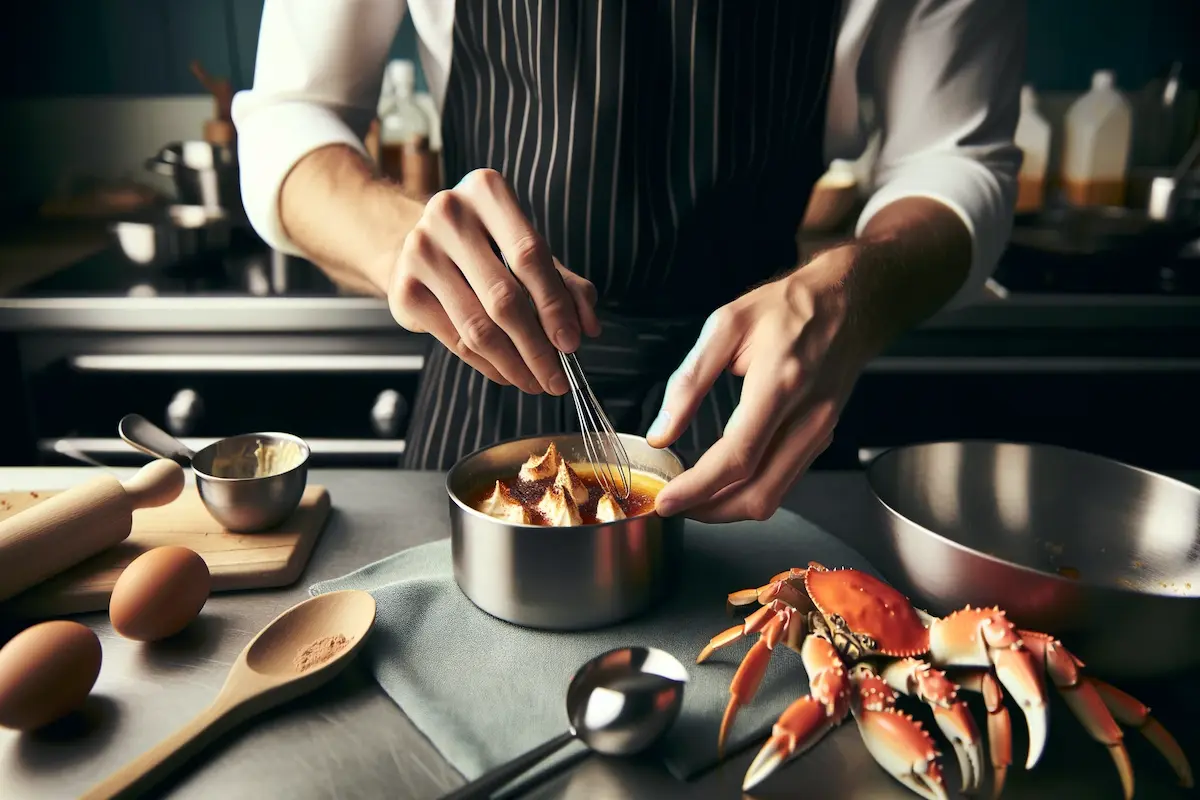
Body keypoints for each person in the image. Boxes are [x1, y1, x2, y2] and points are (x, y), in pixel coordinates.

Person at [232, 0, 1025, 523]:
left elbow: (956, 157)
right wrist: (394, 234)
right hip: (487, 380)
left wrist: (857, 291)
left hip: (755, 399)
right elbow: (290, 118)